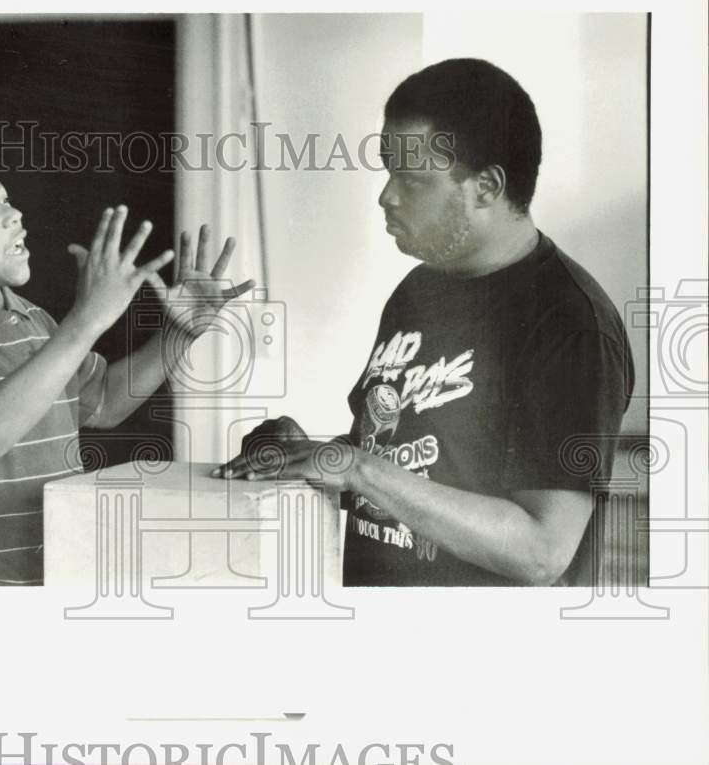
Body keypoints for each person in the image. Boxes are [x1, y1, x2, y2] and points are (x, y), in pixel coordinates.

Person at [213, 58, 634, 586]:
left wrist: (356, 468)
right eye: (388, 172)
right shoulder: (419, 291)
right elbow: (400, 463)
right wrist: (310, 454)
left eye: (411, 179)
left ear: (486, 186)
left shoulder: (571, 323)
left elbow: (541, 550)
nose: (387, 196)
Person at [0, 145, 253, 585]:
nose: (13, 215)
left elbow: (104, 402)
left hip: (50, 574)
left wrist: (176, 337)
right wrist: (84, 322)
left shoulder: (31, 319)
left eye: (5, 199)